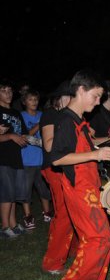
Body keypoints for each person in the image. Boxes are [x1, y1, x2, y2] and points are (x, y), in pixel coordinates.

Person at [49, 70, 110, 280]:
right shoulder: (66, 120)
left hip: (89, 188)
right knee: (97, 238)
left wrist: (102, 145)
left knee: (103, 237)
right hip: (78, 190)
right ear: (81, 90)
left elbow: (85, 147)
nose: (98, 102)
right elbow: (57, 159)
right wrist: (95, 155)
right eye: (95, 96)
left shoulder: (79, 121)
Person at [40, 80, 78, 275]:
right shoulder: (51, 115)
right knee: (64, 213)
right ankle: (52, 262)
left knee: (71, 211)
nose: (73, 100)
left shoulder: (68, 117)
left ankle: (70, 250)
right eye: (69, 96)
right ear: (59, 98)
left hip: (67, 167)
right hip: (54, 169)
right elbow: (48, 145)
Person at [20, 88, 52, 230]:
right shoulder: (21, 116)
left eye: (36, 99)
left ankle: (47, 212)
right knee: (26, 190)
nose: (34, 102)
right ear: (24, 102)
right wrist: (39, 124)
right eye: (30, 99)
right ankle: (28, 216)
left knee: (43, 188)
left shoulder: (42, 114)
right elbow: (24, 135)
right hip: (26, 160)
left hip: (42, 159)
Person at [0, 79, 28, 239]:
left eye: (10, 91)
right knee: (5, 193)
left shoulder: (16, 113)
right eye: (4, 91)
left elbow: (23, 134)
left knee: (13, 193)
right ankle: (4, 227)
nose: (8, 94)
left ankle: (13, 223)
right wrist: (10, 135)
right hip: (2, 158)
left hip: (16, 157)